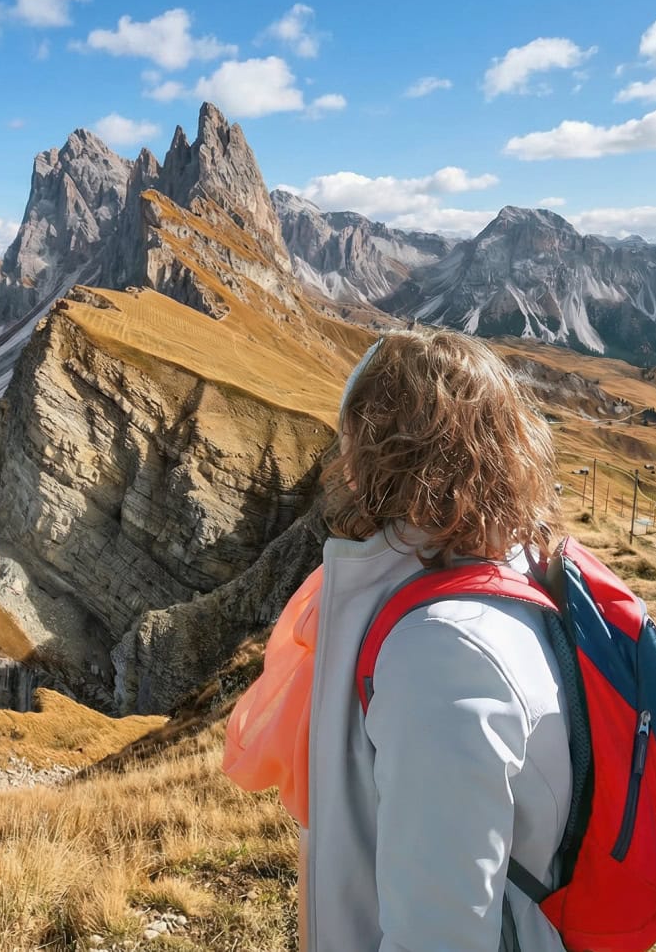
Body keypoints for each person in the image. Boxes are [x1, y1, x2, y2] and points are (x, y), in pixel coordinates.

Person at [225, 328, 571, 951]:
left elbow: (440, 937)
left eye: (354, 437)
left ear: (388, 452)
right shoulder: (494, 571)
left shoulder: (443, 654)